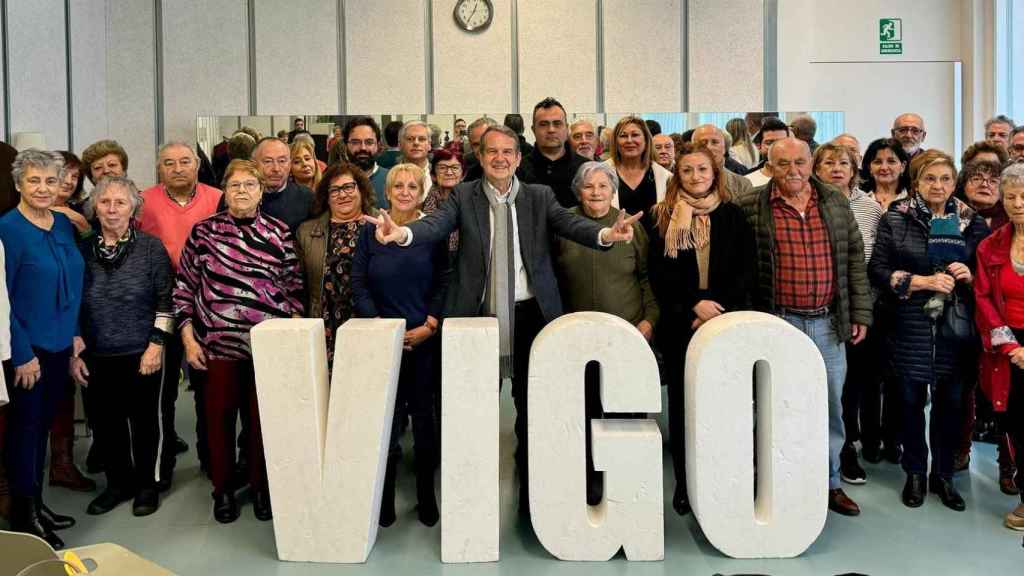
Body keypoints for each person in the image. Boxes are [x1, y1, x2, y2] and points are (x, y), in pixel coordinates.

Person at [367, 125, 640, 518]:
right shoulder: (463, 195)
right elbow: (435, 225)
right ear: (480, 156)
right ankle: (471, 502)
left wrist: (605, 234)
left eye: (507, 152)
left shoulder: (539, 196)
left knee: (533, 408)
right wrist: (404, 233)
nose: (499, 158)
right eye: (491, 151)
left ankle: (533, 498)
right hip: (477, 318)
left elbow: (570, 223)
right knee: (473, 410)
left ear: (516, 157)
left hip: (531, 316)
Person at [739, 138, 872, 517]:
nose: (793, 171)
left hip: (829, 323)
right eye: (783, 164)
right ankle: (770, 479)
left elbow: (853, 260)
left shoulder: (834, 202)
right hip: (778, 321)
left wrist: (860, 312)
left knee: (830, 408)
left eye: (799, 162)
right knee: (769, 405)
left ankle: (830, 483)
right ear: (770, 165)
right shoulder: (752, 205)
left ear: (811, 162)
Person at [174, 159, 304, 524]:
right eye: (235, 185)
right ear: (225, 191)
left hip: (268, 349)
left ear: (262, 191)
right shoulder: (204, 233)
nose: (243, 191)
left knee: (263, 423)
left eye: (250, 185)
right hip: (216, 348)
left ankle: (263, 489)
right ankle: (224, 490)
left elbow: (294, 290)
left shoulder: (278, 233)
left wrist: (290, 341)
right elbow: (183, 289)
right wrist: (188, 339)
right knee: (219, 423)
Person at [869, 150, 988, 511]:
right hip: (908, 324)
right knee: (909, 403)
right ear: (916, 182)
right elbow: (878, 268)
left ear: (955, 183)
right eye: (930, 179)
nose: (938, 186)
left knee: (950, 406)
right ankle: (916, 473)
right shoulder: (896, 218)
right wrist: (917, 281)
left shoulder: (973, 221)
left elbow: (986, 273)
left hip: (955, 327)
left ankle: (944, 477)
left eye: (945, 179)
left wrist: (970, 276)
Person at [648, 143, 754, 516]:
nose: (695, 177)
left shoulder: (733, 217)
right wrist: (693, 305)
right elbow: (659, 275)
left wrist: (717, 310)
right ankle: (684, 483)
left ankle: (718, 481)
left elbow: (745, 271)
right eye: (687, 171)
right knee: (681, 405)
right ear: (678, 175)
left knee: (721, 404)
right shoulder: (661, 217)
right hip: (681, 323)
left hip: (725, 321)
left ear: (715, 175)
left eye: (702, 170)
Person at [352, 163, 448, 528]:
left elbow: (443, 280)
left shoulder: (430, 231)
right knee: (386, 424)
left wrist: (430, 324)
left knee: (424, 422)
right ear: (387, 191)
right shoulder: (369, 232)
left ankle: (426, 493)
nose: (405, 192)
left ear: (422, 193)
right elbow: (358, 281)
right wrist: (379, 326)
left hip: (422, 340)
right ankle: (385, 494)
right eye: (398, 186)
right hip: (381, 340)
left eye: (413, 186)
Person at [71, 177, 173, 518]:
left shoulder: (151, 248)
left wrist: (156, 345)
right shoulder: (81, 251)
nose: (112, 209)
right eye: (104, 203)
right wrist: (75, 345)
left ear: (133, 208)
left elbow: (166, 302)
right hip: (96, 355)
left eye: (120, 203)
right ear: (94, 208)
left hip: (141, 352)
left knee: (145, 423)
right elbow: (70, 302)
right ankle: (119, 484)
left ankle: (147, 484)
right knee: (105, 424)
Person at [0, 149, 84, 549]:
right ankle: (23, 515)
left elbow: (72, 285)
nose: (43, 188)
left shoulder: (62, 225)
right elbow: (3, 300)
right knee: (25, 432)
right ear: (18, 184)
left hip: (59, 345)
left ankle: (37, 504)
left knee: (42, 429)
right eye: (33, 180)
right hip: (28, 350)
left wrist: (75, 335)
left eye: (51, 181)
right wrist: (21, 353)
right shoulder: (7, 230)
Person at [139, 141, 223, 486]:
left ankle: (210, 457)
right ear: (160, 167)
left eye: (185, 161)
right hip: (160, 303)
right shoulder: (143, 201)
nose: (177, 168)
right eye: (169, 163)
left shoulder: (217, 198)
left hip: (209, 303)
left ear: (197, 164)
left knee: (207, 388)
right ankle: (165, 461)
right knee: (164, 390)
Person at [813, 143, 884, 485]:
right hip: (819, 305)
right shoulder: (810, 202)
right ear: (817, 168)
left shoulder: (870, 208)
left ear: (855, 169)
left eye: (844, 163)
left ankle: (846, 451)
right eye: (829, 163)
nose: (837, 168)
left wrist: (861, 309)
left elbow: (870, 263)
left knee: (851, 385)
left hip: (857, 304)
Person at [974, 163, 1024, 530]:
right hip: (1010, 348)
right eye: (1011, 197)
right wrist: (1011, 348)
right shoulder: (991, 245)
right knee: (1017, 423)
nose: (1018, 203)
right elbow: (984, 299)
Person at [45, 152, 94, 494]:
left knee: (66, 390)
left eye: (74, 177)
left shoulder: (76, 217)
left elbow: (92, 257)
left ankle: (63, 463)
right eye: (61, 175)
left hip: (75, 313)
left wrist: (83, 224)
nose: (67, 182)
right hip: (37, 317)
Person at [296, 162, 376, 362]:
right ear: (326, 196)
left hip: (372, 321)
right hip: (325, 325)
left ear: (361, 189)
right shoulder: (307, 232)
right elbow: (298, 284)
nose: (343, 195)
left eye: (349, 187)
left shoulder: (381, 225)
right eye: (335, 190)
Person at [516, 97, 587, 208]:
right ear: (533, 130)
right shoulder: (518, 170)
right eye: (544, 124)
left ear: (566, 128)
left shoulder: (585, 168)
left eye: (557, 123)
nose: (551, 130)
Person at [604, 116, 671, 222]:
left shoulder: (666, 177)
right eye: (623, 136)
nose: (629, 140)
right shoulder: (601, 172)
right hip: (615, 237)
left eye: (635, 135)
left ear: (646, 140)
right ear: (615, 142)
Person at [249, 137, 314, 233]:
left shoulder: (307, 197)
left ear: (289, 164)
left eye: (282, 161)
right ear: (253, 164)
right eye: (268, 161)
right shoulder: (238, 197)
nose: (276, 168)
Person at [691, 124, 754, 205]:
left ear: (724, 148)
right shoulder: (681, 182)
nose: (709, 147)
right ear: (693, 148)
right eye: (703, 143)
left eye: (715, 142)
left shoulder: (742, 184)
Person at [343, 116, 389, 208]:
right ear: (345, 146)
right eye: (355, 142)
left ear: (378, 145)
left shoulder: (391, 179)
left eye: (369, 142)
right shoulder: (333, 180)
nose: (363, 148)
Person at [861, 138, 911, 213]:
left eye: (891, 162)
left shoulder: (913, 201)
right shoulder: (859, 197)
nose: (884, 168)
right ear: (869, 167)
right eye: (878, 162)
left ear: (903, 167)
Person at [53, 152, 91, 237]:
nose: (69, 181)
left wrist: (82, 223)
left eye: (74, 176)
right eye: (63, 174)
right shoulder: (31, 211)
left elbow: (90, 248)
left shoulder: (81, 211)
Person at [744, 117, 790, 187]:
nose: (776, 148)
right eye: (769, 143)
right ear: (759, 146)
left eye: (782, 142)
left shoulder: (801, 176)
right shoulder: (747, 180)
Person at [398, 121, 433, 197]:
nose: (416, 143)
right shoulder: (390, 175)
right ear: (400, 145)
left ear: (429, 145)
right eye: (410, 139)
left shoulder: (439, 175)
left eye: (422, 139)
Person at [463, 117, 498, 182]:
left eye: (486, 142)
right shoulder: (468, 177)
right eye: (476, 144)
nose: (482, 149)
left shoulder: (519, 172)